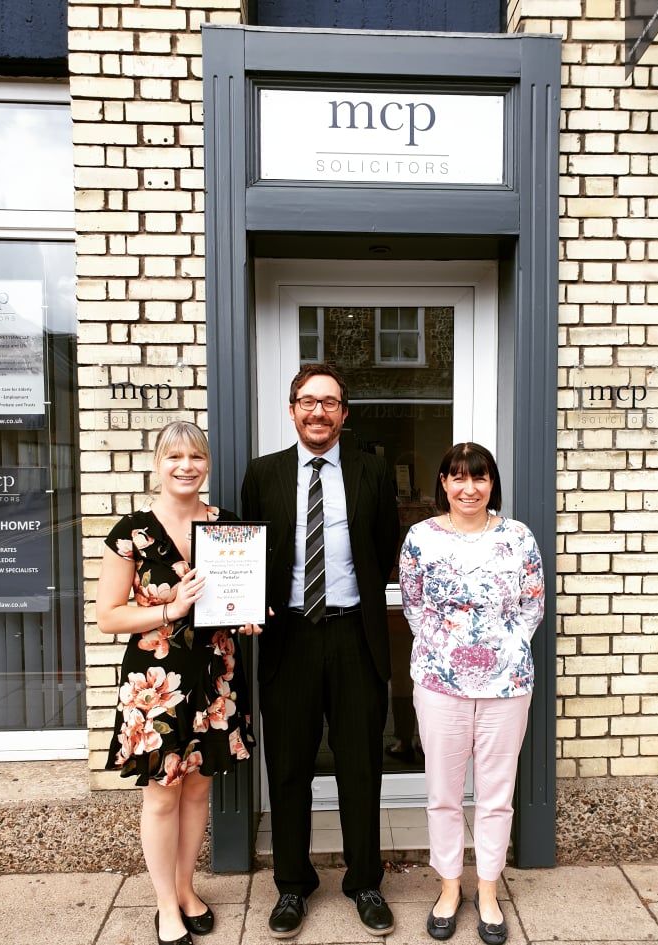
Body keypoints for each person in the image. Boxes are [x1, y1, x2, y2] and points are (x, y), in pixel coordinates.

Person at [241, 363, 400, 939]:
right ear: (292, 410)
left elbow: (384, 546)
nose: (318, 412)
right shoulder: (263, 474)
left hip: (355, 635)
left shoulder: (372, 471)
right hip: (289, 640)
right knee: (288, 769)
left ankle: (364, 881)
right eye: (308, 401)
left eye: (330, 403)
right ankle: (292, 885)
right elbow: (254, 552)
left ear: (344, 414)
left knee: (361, 765)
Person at [96, 421, 261, 945]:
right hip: (156, 681)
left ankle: (187, 889)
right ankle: (166, 905)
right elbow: (108, 616)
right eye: (174, 457)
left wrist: (248, 616)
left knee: (199, 790)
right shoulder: (133, 532)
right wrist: (171, 607)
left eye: (195, 457)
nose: (186, 466)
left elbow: (235, 599)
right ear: (158, 465)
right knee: (163, 793)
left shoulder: (227, 526)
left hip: (216, 676)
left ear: (206, 464)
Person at [399, 443, 544, 944]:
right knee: (442, 792)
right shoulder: (420, 538)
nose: (469, 488)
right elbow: (413, 606)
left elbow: (532, 607)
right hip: (440, 683)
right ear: (443, 482)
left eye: (479, 478)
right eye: (458, 478)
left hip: (506, 685)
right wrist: (449, 647)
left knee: (496, 795)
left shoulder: (518, 537)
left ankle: (486, 889)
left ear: (490, 484)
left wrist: (502, 648)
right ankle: (448, 886)